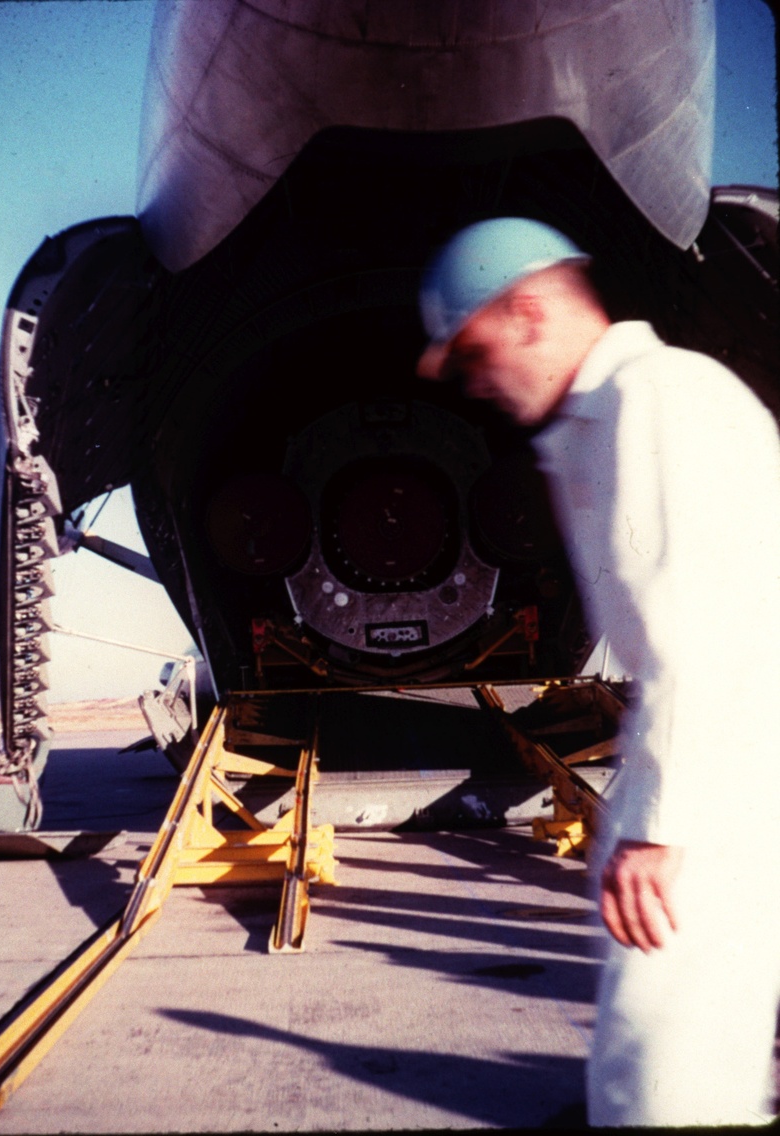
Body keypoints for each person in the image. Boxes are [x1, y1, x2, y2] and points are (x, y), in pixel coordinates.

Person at [417, 217, 780, 1127]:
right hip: (708, 783)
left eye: (473, 354)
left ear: (530, 312)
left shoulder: (659, 402)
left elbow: (701, 634)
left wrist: (659, 827)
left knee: (673, 1072)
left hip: (725, 790)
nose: (476, 384)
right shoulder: (598, 420)